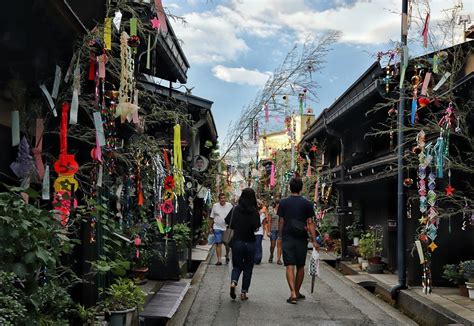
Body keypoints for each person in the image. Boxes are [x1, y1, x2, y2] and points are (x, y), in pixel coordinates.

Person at [278, 177, 319, 304]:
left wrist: (280, 235)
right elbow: (310, 222)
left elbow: (281, 221)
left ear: (290, 188)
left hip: (288, 237)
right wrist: (314, 240)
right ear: (301, 188)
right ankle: (297, 290)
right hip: (301, 238)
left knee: (289, 265)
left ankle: (293, 293)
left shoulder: (283, 203)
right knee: (300, 265)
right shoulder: (306, 203)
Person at [225, 188, 261, 301]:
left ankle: (234, 282)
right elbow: (256, 227)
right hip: (250, 242)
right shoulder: (255, 211)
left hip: (237, 242)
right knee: (248, 268)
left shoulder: (235, 209)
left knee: (237, 266)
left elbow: (227, 222)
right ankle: (244, 292)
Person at [210, 193, 233, 265]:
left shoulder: (229, 205)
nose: (223, 199)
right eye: (221, 198)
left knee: (227, 244)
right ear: (219, 199)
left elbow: (233, 216)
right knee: (218, 243)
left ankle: (227, 255)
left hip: (226, 228)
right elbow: (211, 217)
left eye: (224, 198)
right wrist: (210, 227)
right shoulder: (215, 206)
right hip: (217, 227)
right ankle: (219, 260)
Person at [267, 200, 282, 264]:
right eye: (278, 204)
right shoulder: (271, 212)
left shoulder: (282, 212)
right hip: (273, 230)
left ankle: (278, 259)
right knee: (272, 245)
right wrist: (268, 231)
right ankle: (271, 255)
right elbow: (269, 222)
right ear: (276, 204)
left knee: (279, 245)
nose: (279, 205)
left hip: (280, 230)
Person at [254, 200, 266, 264]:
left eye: (259, 205)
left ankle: (258, 259)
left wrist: (264, 232)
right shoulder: (251, 213)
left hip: (259, 232)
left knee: (258, 245)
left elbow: (264, 224)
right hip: (252, 232)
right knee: (253, 245)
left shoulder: (262, 215)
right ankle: (253, 258)